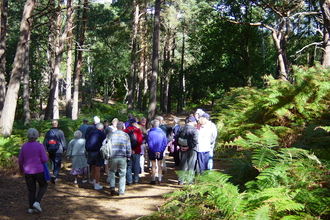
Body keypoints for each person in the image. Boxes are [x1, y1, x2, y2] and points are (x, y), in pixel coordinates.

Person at [19, 128, 48, 213]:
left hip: (28, 171)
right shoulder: (40, 146)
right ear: (37, 135)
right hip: (39, 170)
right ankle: (37, 202)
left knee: (31, 189)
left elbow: (20, 160)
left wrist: (21, 169)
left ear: (27, 136)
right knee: (43, 185)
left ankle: (31, 208)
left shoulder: (24, 146)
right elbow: (44, 159)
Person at [109, 122, 131, 196]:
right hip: (122, 157)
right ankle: (121, 191)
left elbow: (107, 145)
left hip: (113, 156)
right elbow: (128, 147)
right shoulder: (126, 135)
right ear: (122, 127)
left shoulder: (111, 134)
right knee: (122, 174)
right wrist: (128, 155)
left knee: (112, 171)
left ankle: (112, 186)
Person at [175, 116, 198, 185]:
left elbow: (176, 138)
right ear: (192, 122)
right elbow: (195, 141)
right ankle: (189, 181)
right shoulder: (194, 130)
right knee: (191, 165)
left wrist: (181, 146)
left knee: (182, 164)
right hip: (192, 150)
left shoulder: (180, 128)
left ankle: (180, 180)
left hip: (182, 149)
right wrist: (189, 147)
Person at [43, 119, 67, 183]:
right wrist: (64, 148)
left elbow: (45, 141)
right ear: (57, 124)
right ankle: (55, 175)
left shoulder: (48, 132)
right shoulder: (60, 132)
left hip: (50, 150)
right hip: (58, 150)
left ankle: (54, 175)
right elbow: (63, 141)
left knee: (52, 162)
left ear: (51, 124)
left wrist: (45, 149)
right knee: (57, 163)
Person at [85, 122, 106, 190]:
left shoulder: (91, 133)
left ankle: (94, 180)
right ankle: (96, 184)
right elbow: (105, 144)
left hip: (91, 152)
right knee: (98, 169)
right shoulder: (103, 134)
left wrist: (88, 150)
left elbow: (87, 142)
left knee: (93, 167)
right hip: (98, 153)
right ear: (101, 128)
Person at [147, 119, 167, 185]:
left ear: (152, 125)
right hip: (160, 151)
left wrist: (154, 151)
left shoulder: (150, 133)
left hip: (152, 151)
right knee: (159, 165)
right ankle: (160, 179)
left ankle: (153, 179)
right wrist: (160, 151)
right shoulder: (162, 133)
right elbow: (164, 143)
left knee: (153, 165)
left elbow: (150, 144)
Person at [124, 118, 143, 185]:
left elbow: (124, 142)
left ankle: (129, 180)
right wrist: (134, 150)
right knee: (136, 165)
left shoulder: (125, 131)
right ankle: (136, 179)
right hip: (137, 151)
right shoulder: (137, 130)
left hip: (127, 151)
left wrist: (130, 150)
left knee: (129, 165)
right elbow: (140, 141)